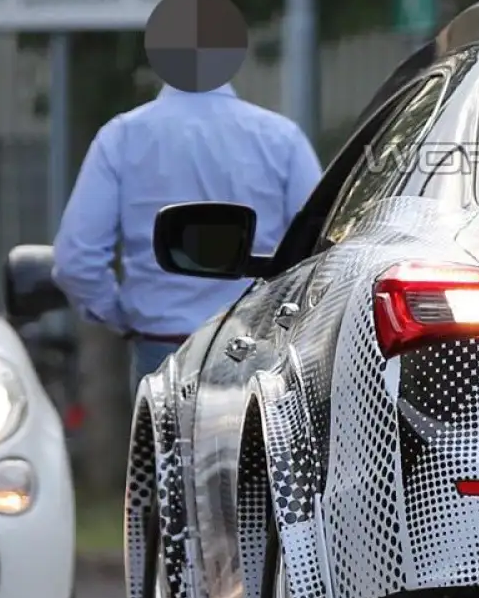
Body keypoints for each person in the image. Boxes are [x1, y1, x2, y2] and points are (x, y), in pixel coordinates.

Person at [51, 78, 321, 394]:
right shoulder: (282, 138)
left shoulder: (123, 137)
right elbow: (318, 246)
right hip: (254, 344)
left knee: (164, 443)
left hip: (161, 348)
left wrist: (125, 317)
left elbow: (76, 260)